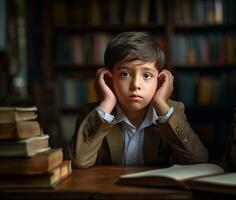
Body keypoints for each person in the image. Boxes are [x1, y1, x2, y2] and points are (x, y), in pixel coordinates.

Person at [65, 32, 208, 168]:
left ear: (159, 81)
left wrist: (160, 103)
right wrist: (108, 101)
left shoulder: (171, 112)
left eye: (147, 75)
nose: (135, 85)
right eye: (125, 74)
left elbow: (197, 160)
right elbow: (78, 161)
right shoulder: (95, 114)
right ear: (109, 79)